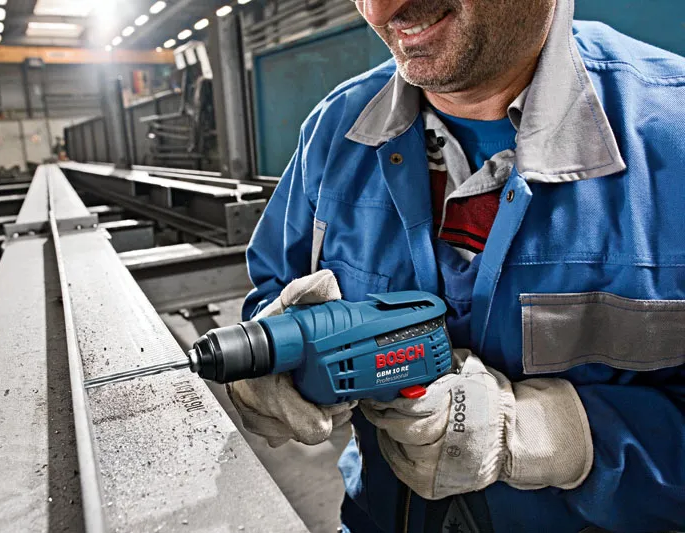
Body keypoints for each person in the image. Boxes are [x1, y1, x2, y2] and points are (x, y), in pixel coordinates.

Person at [230, 0, 685, 531]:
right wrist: (276, 349)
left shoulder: (671, 135)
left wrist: (563, 439)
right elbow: (274, 288)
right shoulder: (335, 132)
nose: (379, 9)